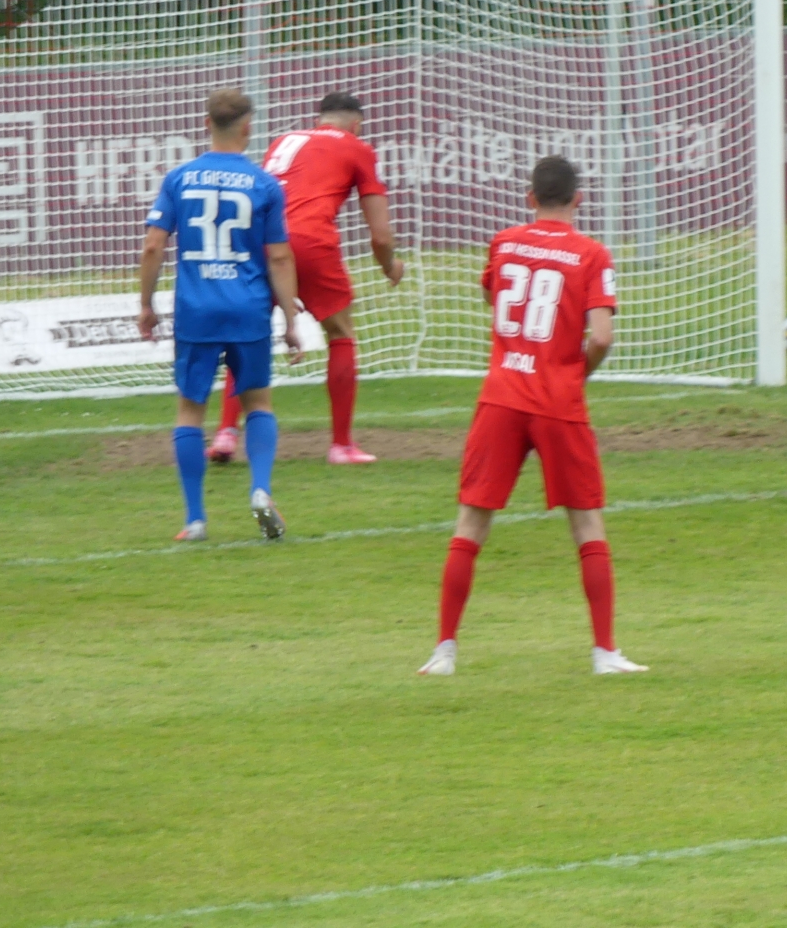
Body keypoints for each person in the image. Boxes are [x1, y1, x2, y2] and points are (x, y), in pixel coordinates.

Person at [419, 156, 646, 677]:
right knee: (585, 522)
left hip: (501, 396)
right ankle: (605, 653)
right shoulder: (591, 254)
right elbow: (602, 337)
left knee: (471, 522)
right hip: (557, 400)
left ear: (530, 198)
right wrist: (576, 373)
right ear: (579, 199)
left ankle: (443, 652)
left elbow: (491, 294)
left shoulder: (503, 242)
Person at [137, 89, 303, 543]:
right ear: (248, 127)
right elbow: (280, 256)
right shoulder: (264, 184)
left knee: (191, 410)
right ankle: (261, 490)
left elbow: (153, 246)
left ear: (206, 123)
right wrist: (290, 322)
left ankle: (195, 520)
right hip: (248, 307)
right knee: (258, 403)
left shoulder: (179, 179)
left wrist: (146, 305)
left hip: (197, 310)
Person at [209, 91, 401, 465]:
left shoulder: (285, 140)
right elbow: (380, 236)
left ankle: (226, 433)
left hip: (258, 239)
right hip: (309, 239)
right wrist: (390, 267)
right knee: (341, 333)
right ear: (356, 124)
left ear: (319, 120)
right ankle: (341, 445)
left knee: (247, 335)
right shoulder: (357, 148)